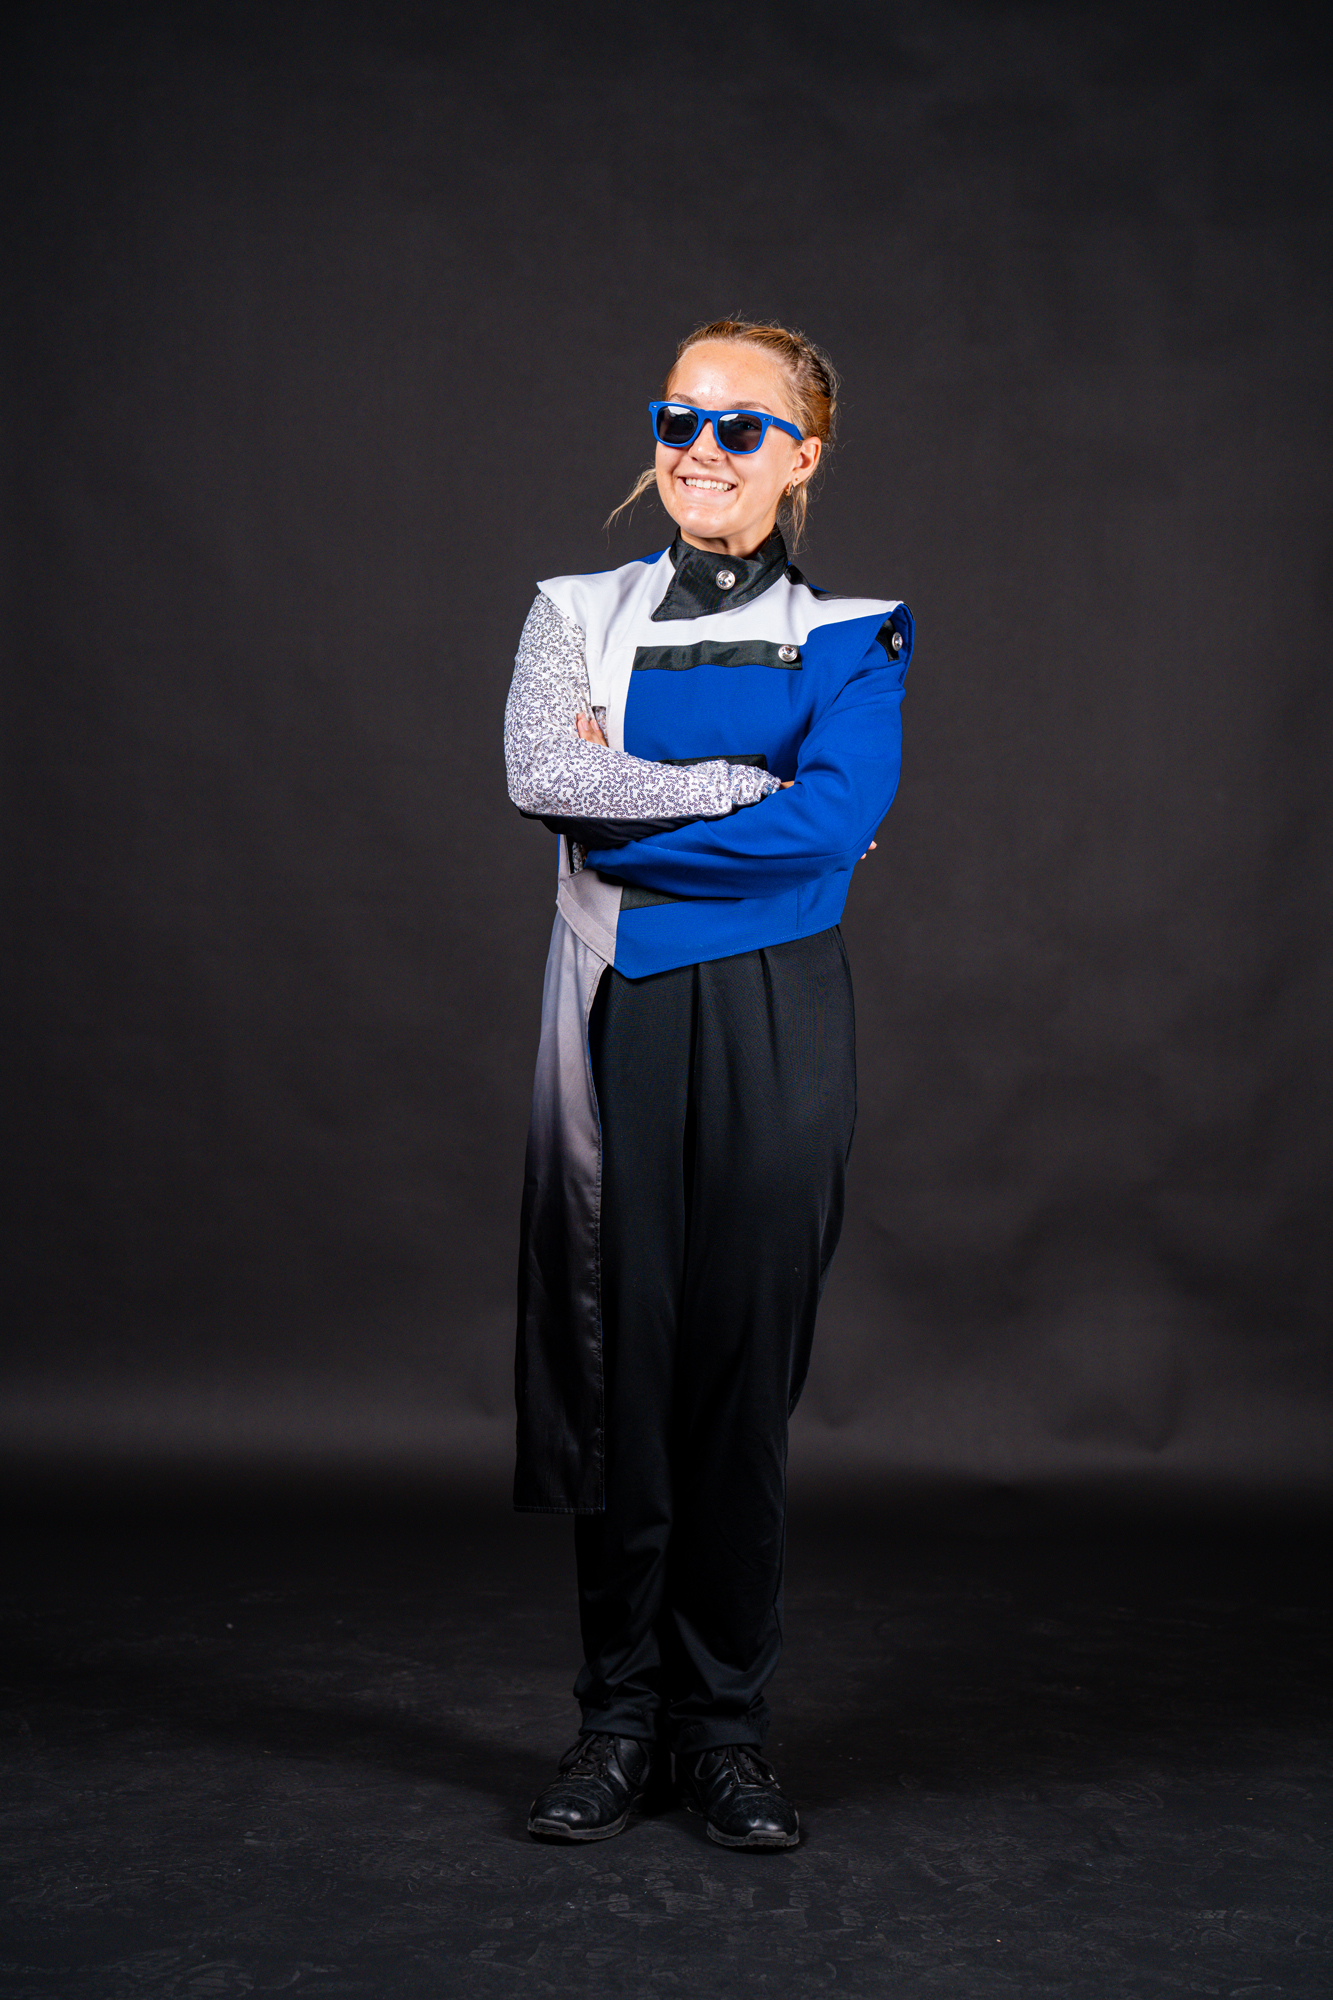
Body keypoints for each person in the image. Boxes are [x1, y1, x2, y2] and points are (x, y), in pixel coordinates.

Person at [503, 318, 914, 1849]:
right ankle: (617, 1722)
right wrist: (746, 792)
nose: (699, 448)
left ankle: (724, 1730)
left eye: (741, 426)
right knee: (623, 1369)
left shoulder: (856, 632)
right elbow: (544, 777)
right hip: (620, 1006)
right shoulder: (573, 610)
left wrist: (633, 825)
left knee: (741, 1380)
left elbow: (833, 829)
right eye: (678, 417)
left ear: (802, 456)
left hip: (780, 1020)